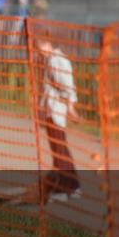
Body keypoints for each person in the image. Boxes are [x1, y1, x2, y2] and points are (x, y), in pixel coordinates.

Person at [35, 37, 81, 201]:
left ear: (47, 43)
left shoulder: (55, 60)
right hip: (52, 111)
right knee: (60, 152)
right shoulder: (53, 60)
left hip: (55, 112)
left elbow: (67, 86)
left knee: (60, 153)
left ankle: (66, 189)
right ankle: (71, 187)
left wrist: (70, 106)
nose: (38, 51)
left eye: (39, 47)